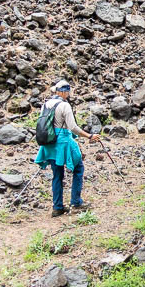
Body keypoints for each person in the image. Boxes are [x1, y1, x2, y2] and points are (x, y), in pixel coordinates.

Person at [34, 80, 99, 217]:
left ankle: (57, 207)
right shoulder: (64, 105)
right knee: (78, 168)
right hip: (63, 141)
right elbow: (73, 127)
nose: (68, 94)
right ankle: (76, 202)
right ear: (63, 92)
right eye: (68, 91)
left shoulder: (46, 104)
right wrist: (89, 136)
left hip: (49, 142)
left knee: (57, 174)